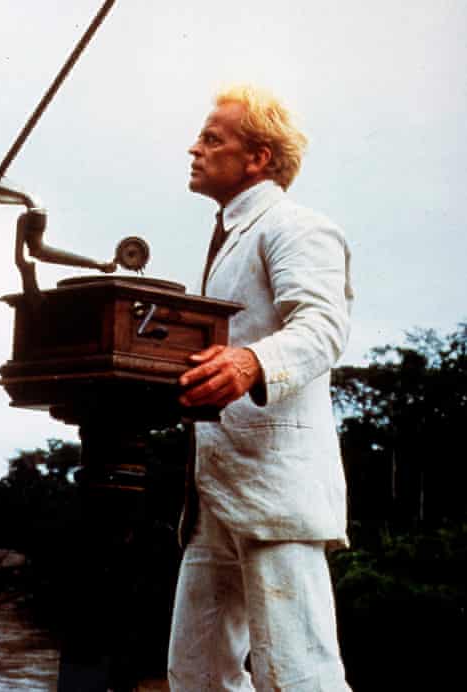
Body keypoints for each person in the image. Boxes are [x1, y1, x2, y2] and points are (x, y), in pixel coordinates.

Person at [167, 84, 354, 691]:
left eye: (211, 139)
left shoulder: (298, 227)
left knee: (298, 674)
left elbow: (323, 326)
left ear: (259, 159)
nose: (193, 149)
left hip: (276, 487)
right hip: (213, 494)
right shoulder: (230, 235)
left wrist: (250, 363)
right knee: (196, 675)